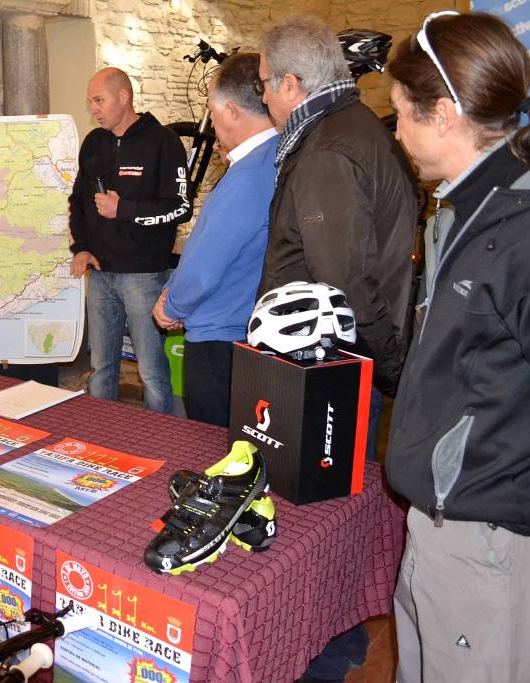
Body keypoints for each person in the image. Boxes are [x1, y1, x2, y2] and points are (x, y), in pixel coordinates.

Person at [255, 16, 418, 682]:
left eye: (266, 84)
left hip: (322, 373)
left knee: (310, 534)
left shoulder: (325, 149)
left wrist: (393, 367)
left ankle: (315, 654)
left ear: (293, 83)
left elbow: (343, 287)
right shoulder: (348, 130)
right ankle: (334, 639)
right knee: (333, 529)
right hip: (336, 369)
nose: (263, 96)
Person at [385, 11, 530, 682]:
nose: (396, 131)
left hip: (483, 536)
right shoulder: (464, 206)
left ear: (443, 114)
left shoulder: (518, 228)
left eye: (401, 115)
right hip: (440, 524)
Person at [152, 53, 278, 427]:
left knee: (216, 450)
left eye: (213, 109)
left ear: (233, 111)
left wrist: (172, 306)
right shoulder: (276, 158)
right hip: (246, 330)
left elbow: (206, 265)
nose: (213, 122)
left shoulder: (248, 176)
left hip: (220, 338)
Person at [69, 67, 191, 415]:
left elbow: (181, 208)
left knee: (152, 372)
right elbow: (78, 201)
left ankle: (159, 438)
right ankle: (103, 437)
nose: (94, 108)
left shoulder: (164, 143)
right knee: (101, 368)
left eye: (99, 100)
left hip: (143, 276)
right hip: (101, 274)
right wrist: (82, 247)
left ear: (124, 97)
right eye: (91, 102)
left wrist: (125, 210)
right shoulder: (94, 142)